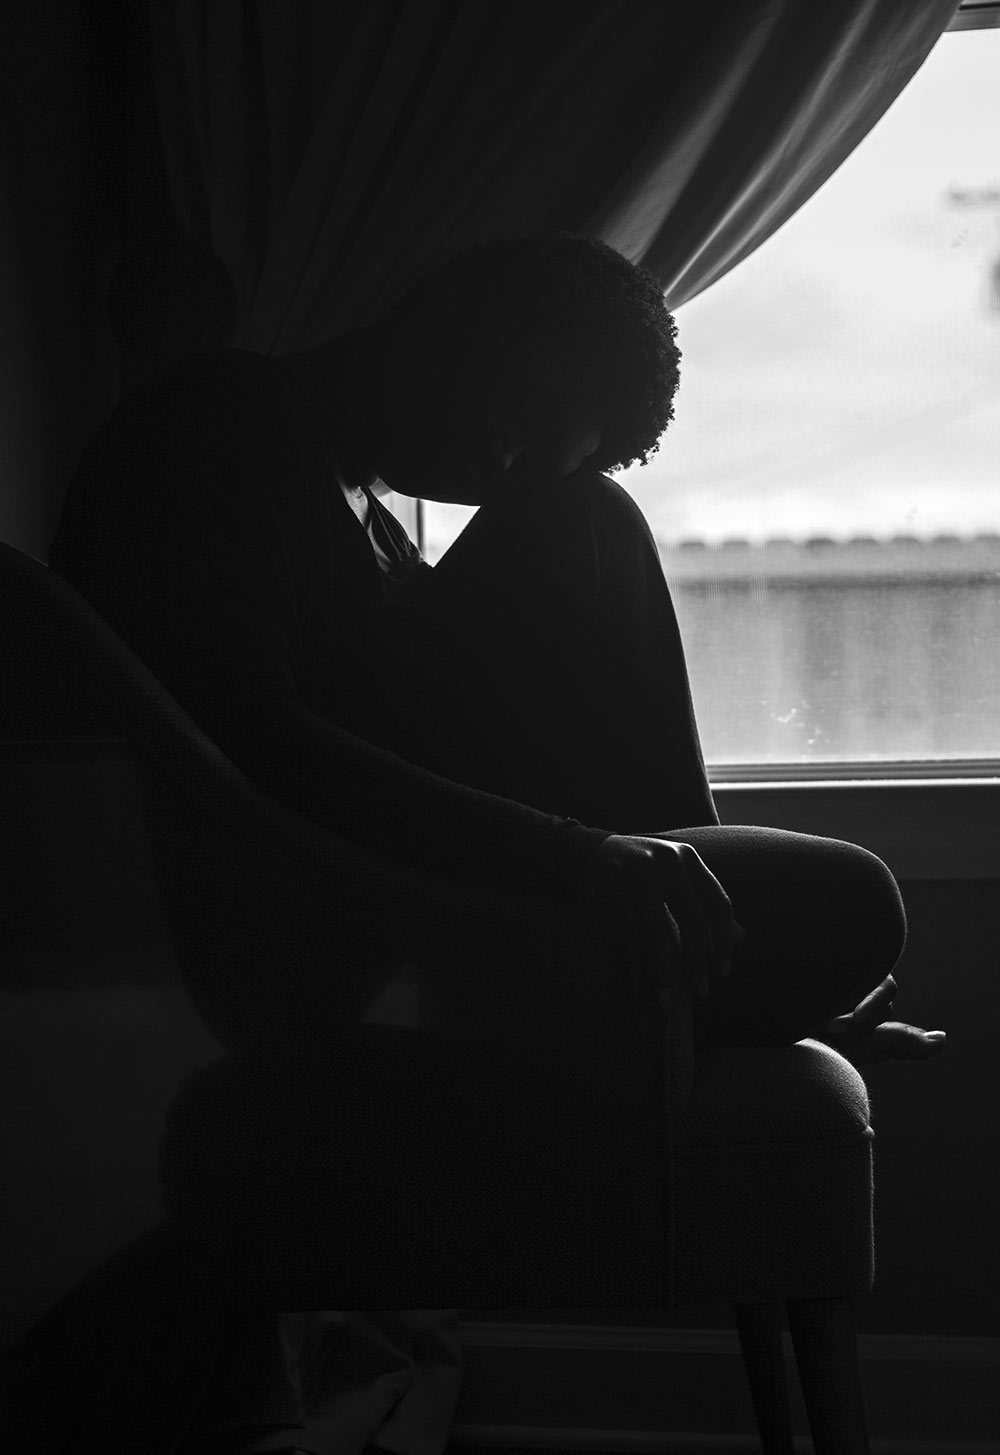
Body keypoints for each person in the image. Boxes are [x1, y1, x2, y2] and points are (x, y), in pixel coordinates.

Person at [48, 232, 944, 1454]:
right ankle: (702, 959)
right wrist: (571, 856)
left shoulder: (356, 493)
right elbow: (238, 739)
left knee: (593, 526)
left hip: (428, 911)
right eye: (514, 421)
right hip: (319, 932)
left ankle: (699, 958)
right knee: (849, 902)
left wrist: (632, 867)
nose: (498, 467)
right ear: (453, 321)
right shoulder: (219, 426)